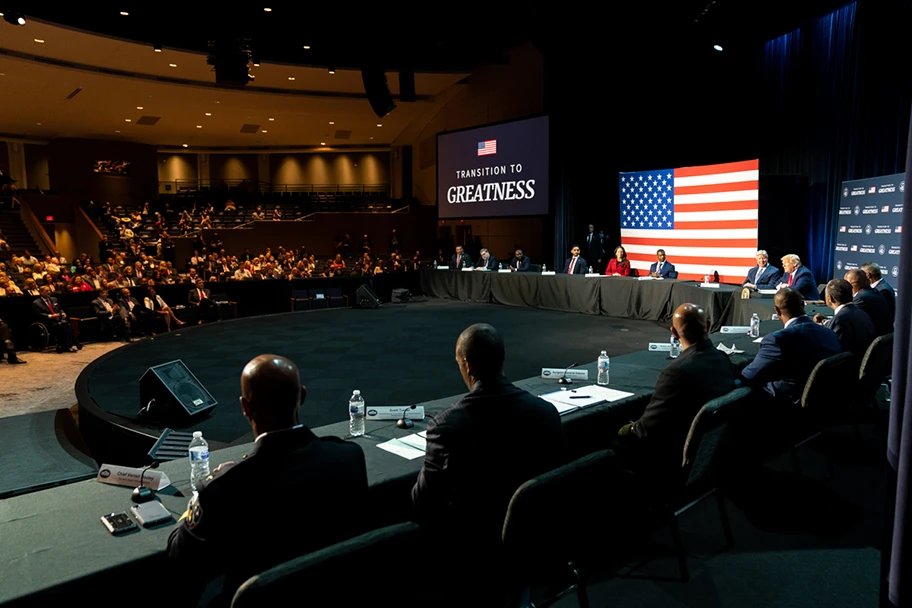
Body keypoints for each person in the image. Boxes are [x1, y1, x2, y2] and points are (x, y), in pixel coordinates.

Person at [168, 355, 368, 606]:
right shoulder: (349, 456)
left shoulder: (224, 489)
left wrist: (205, 488)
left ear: (244, 407)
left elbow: (179, 556)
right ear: (302, 396)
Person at [412, 324, 566, 597]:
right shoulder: (546, 412)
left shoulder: (446, 426)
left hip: (476, 557)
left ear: (469, 366)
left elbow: (424, 502)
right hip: (542, 543)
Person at [615, 303, 736, 479]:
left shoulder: (676, 372)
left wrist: (625, 428)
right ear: (708, 326)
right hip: (713, 450)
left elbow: (647, 430)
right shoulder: (722, 358)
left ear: (673, 332)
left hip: (673, 455)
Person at [741, 288, 842, 405]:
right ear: (803, 305)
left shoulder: (777, 340)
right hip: (827, 399)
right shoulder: (829, 332)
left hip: (788, 402)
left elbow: (749, 376)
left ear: (777, 311)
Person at [813, 279, 876, 361]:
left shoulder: (840, 319)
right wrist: (825, 322)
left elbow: (833, 350)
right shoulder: (861, 313)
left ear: (829, 298)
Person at [31, 286, 81, 353]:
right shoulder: (36, 303)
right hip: (48, 321)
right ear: (41, 292)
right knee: (59, 325)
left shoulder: (54, 299)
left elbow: (59, 309)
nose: (49, 292)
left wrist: (63, 313)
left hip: (58, 318)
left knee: (66, 324)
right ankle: (64, 344)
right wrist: (51, 316)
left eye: (49, 290)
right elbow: (39, 314)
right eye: (47, 291)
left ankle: (69, 344)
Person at [844, 268, 892, 336]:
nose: (846, 287)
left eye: (847, 284)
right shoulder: (875, 292)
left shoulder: (861, 298)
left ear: (855, 283)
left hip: (872, 340)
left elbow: (849, 321)